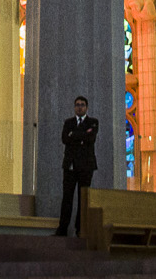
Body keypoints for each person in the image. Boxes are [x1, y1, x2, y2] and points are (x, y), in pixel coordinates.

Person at [55, 95, 99, 237]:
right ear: (74, 107)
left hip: (86, 167)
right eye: (77, 105)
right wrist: (81, 137)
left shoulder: (93, 122)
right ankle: (62, 229)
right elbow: (64, 139)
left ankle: (80, 229)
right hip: (70, 166)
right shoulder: (68, 122)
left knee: (83, 198)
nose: (79, 107)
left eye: (82, 105)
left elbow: (90, 139)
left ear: (86, 108)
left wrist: (74, 135)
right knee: (67, 198)